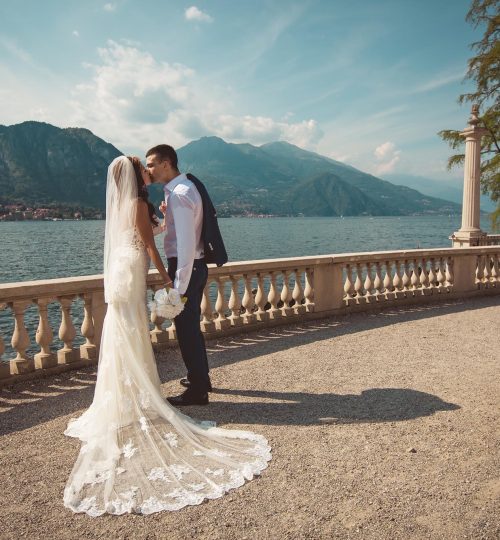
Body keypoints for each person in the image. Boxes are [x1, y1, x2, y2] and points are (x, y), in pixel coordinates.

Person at [63, 156, 271, 516]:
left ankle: (142, 392)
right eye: (142, 166)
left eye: (150, 164)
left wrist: (170, 274)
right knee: (133, 331)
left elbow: (146, 235)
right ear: (134, 175)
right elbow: (150, 244)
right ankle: (159, 390)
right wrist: (165, 279)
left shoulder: (138, 202)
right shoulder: (141, 202)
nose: (147, 170)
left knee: (126, 332)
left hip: (123, 270)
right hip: (135, 270)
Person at [145, 144, 211, 406]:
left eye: (151, 164)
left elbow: (185, 245)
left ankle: (197, 391)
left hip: (186, 267)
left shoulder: (180, 194)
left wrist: (178, 286)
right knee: (191, 328)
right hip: (193, 266)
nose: (148, 169)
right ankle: (200, 379)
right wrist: (166, 218)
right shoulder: (181, 191)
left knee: (186, 331)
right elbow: (181, 235)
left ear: (166, 163)